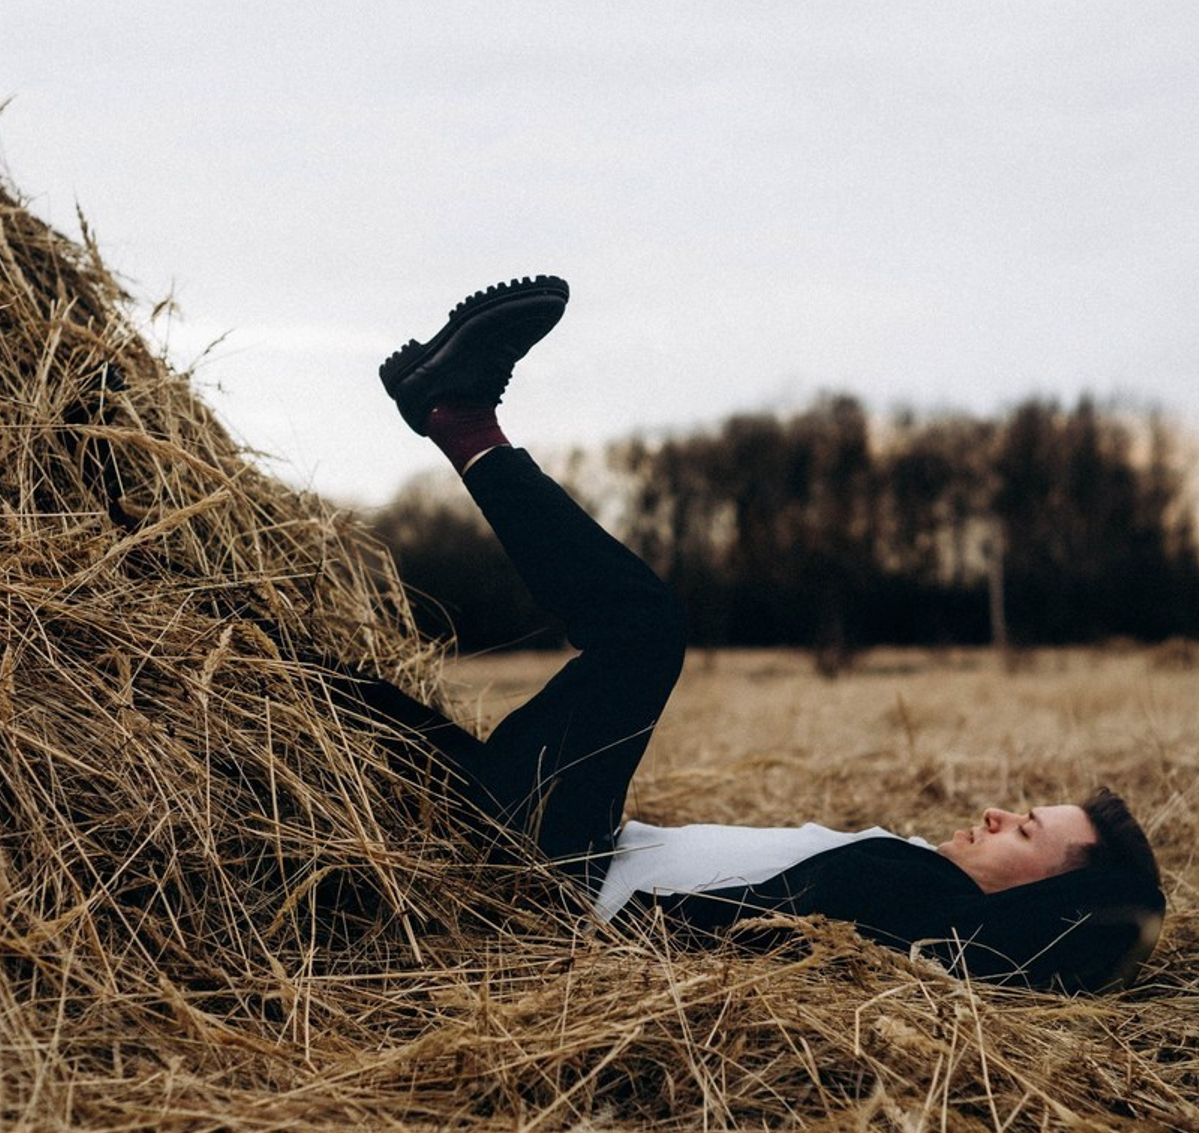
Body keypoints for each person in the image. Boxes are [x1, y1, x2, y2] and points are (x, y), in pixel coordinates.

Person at [369, 275, 1166, 993]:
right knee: (336, 698)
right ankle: (445, 420)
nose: (997, 815)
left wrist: (1114, 921)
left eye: (1026, 831)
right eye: (1020, 811)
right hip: (561, 840)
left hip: (551, 883)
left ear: (1051, 899)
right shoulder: (917, 871)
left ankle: (462, 418)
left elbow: (1083, 940)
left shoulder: (947, 923)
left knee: (645, 627)